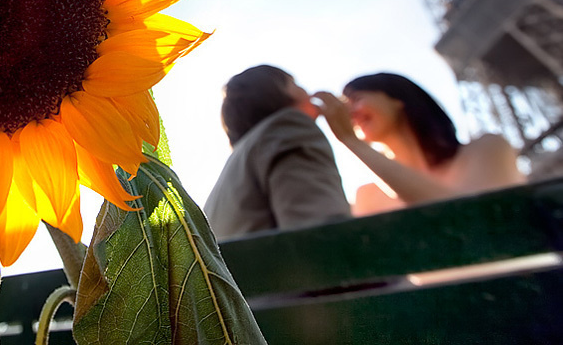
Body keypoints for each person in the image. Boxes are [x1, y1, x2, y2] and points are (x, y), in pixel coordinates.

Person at [315, 72, 525, 215]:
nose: (349, 113)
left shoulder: (487, 149)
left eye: (356, 99)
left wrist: (352, 142)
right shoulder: (367, 196)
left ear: (397, 98)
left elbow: (471, 221)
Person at [204, 65, 351, 240]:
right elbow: (321, 235)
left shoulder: (238, 162)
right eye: (294, 83)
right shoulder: (288, 127)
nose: (306, 91)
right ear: (276, 90)